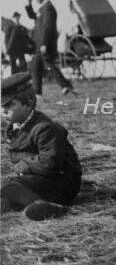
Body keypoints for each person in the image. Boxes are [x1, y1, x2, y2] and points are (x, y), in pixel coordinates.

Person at [1, 73, 82, 220]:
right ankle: (28, 205)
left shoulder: (44, 128)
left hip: (62, 183)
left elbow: (50, 163)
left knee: (9, 185)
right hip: (40, 180)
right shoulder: (14, 128)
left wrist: (22, 166)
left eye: (9, 105)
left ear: (29, 103)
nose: (3, 111)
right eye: (1, 106)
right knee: (6, 195)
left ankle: (42, 205)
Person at [24, 0, 74, 96]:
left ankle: (65, 86)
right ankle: (38, 92)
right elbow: (33, 16)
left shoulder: (48, 8)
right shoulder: (44, 8)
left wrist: (44, 44)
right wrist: (28, 4)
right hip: (40, 45)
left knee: (47, 65)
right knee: (36, 67)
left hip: (44, 45)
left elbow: (48, 26)